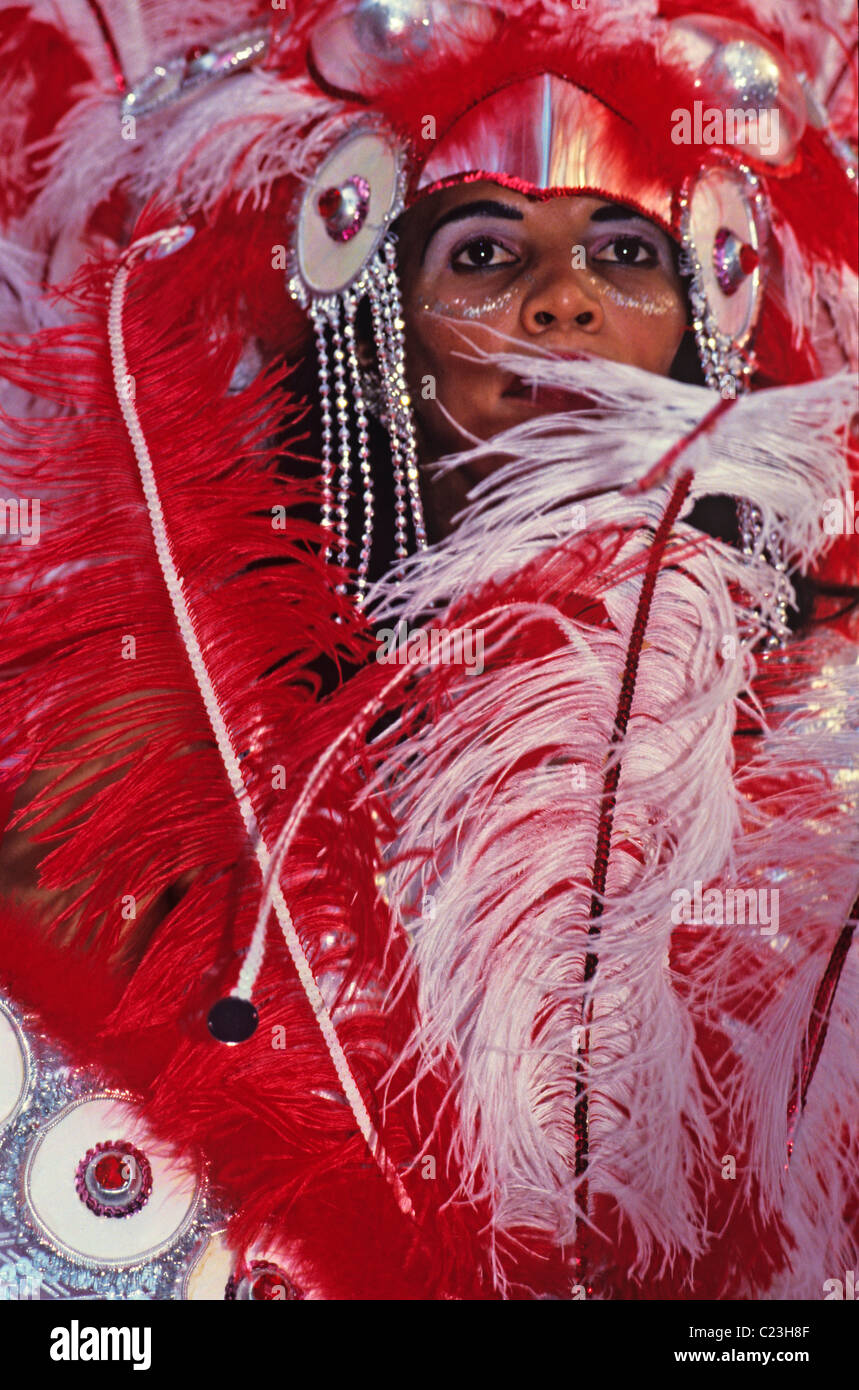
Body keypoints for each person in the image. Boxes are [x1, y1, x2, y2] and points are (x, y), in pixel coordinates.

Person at [0, 0, 856, 1302]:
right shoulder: (155, 762)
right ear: (379, 346)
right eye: (483, 253)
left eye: (626, 252)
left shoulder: (833, 761)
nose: (561, 301)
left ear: (708, 332)